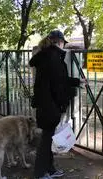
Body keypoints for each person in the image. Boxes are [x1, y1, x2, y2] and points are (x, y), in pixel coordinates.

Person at [29, 30, 84, 179]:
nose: (64, 46)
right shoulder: (53, 57)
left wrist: (77, 81)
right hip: (50, 106)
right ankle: (40, 173)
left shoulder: (46, 56)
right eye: (63, 43)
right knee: (46, 142)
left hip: (45, 104)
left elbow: (58, 79)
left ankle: (50, 169)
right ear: (59, 42)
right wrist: (63, 101)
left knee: (48, 138)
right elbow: (59, 84)